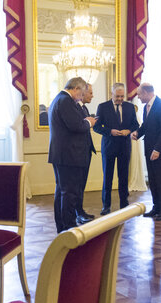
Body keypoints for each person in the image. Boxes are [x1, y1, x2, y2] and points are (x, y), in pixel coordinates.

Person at [48, 77, 97, 232]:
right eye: (81, 94)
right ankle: (69, 228)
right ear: (75, 88)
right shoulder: (65, 101)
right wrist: (89, 122)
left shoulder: (59, 99)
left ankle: (63, 227)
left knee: (62, 191)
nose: (81, 98)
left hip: (63, 154)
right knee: (69, 193)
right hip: (69, 155)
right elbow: (76, 125)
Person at [93, 82, 139, 215]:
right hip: (109, 147)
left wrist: (128, 130)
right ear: (111, 93)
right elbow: (96, 127)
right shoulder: (102, 107)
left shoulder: (130, 107)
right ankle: (106, 206)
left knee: (123, 177)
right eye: (117, 96)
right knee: (107, 177)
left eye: (122, 96)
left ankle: (124, 204)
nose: (120, 99)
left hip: (124, 146)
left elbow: (135, 124)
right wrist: (109, 131)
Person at [132, 82, 161, 221]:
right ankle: (156, 207)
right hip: (149, 149)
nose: (138, 97)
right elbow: (146, 126)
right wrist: (137, 133)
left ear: (146, 93)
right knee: (153, 180)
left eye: (139, 94)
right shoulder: (146, 107)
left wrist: (157, 149)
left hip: (160, 150)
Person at [77, 84, 97, 224]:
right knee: (76, 186)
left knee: (82, 184)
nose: (92, 95)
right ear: (82, 93)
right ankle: (77, 213)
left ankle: (80, 211)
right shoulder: (75, 108)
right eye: (90, 93)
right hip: (77, 152)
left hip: (86, 151)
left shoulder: (84, 108)